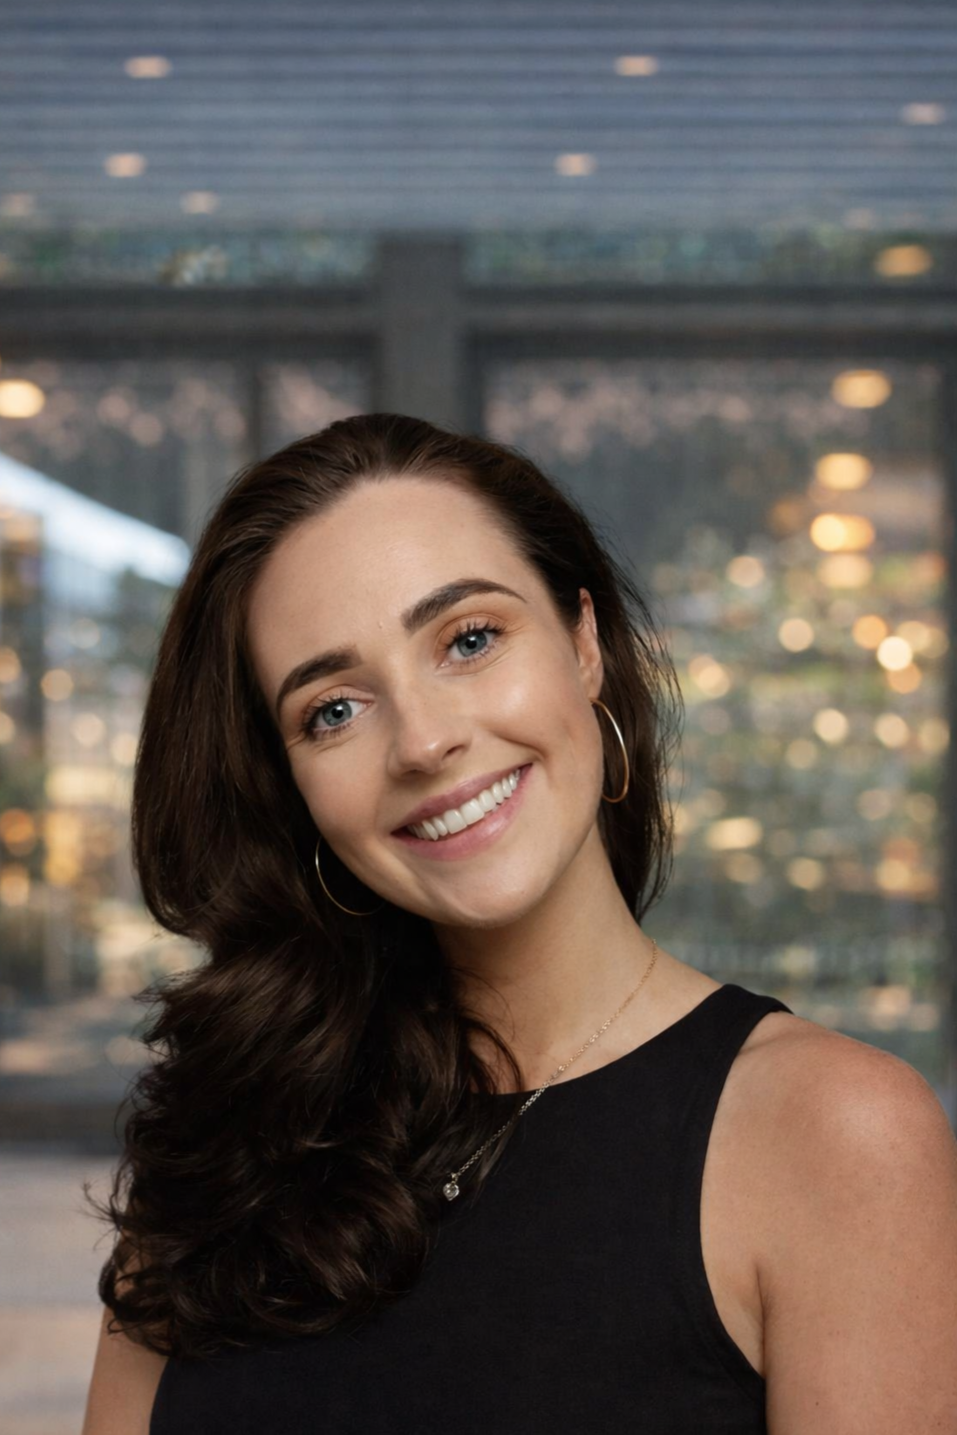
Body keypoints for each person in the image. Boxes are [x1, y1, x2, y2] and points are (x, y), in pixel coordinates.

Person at [82, 412, 957, 1434]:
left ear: (584, 644)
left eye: (469, 639)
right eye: (334, 709)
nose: (423, 741)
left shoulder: (835, 1135)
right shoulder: (225, 1142)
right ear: (290, 785)